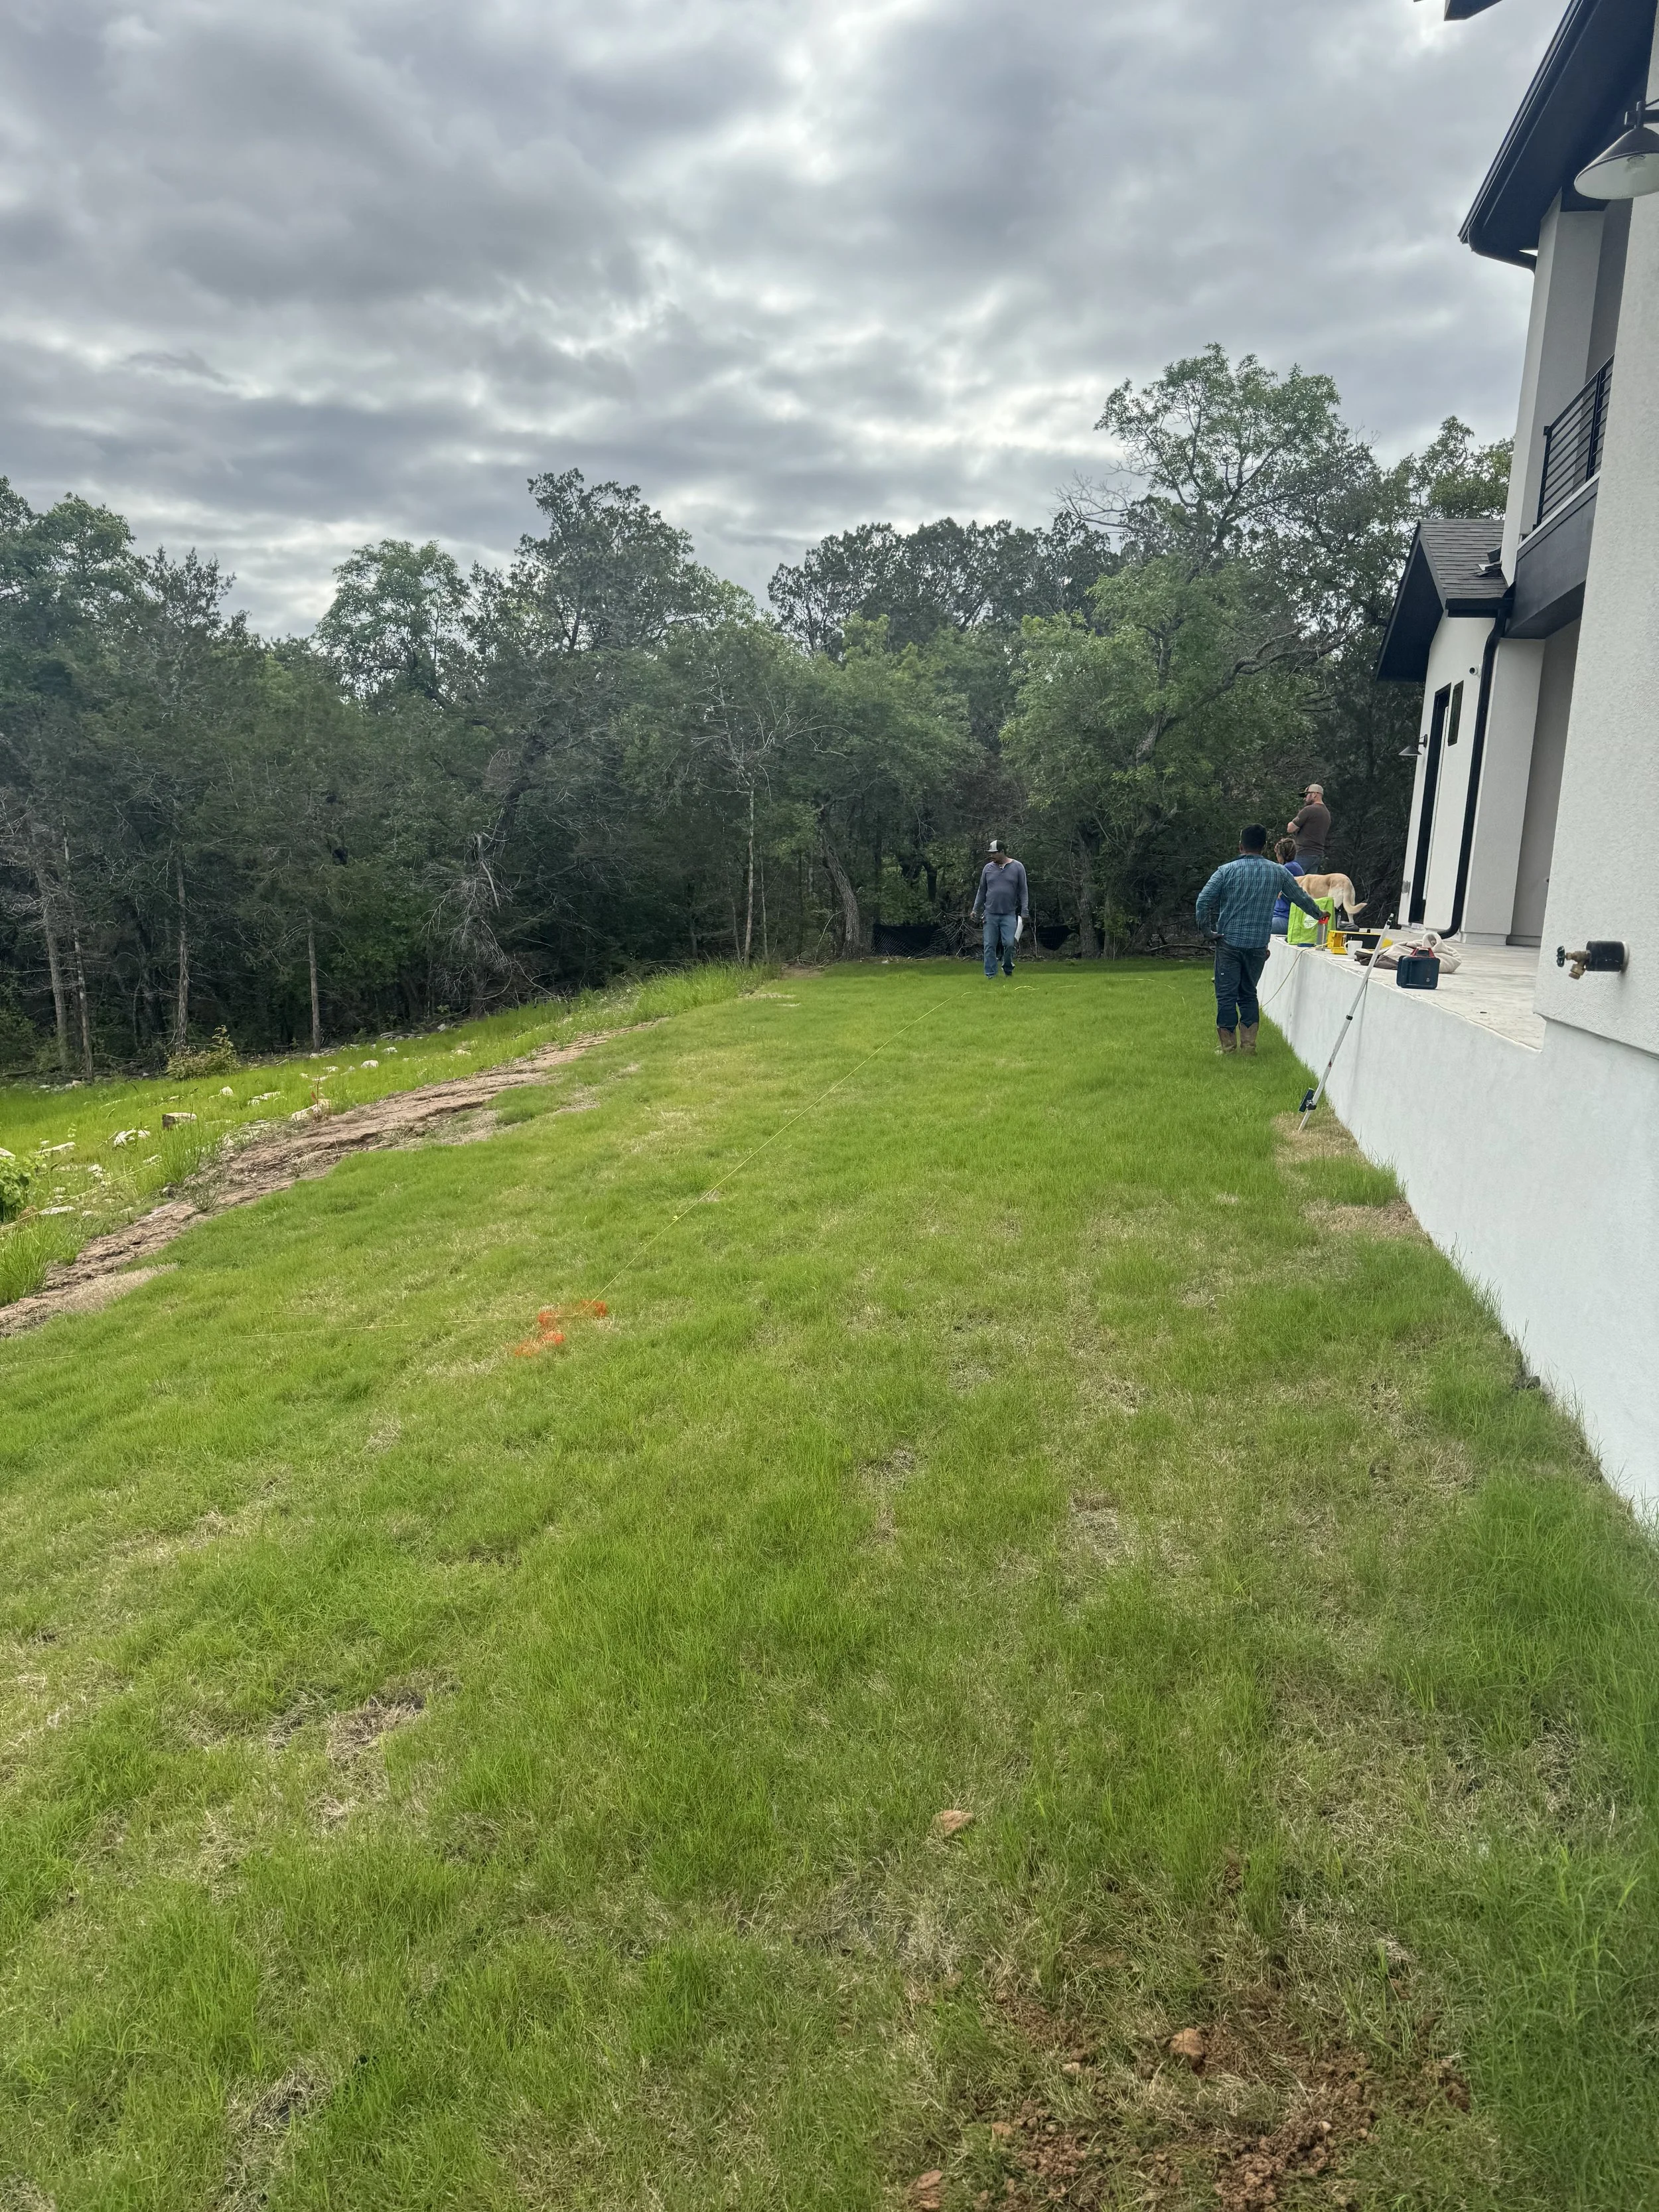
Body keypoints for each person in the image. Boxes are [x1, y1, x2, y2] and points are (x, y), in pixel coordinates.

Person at [1195, 825, 1325, 1055]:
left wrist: (1208, 931)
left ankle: (1228, 1048)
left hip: (1229, 942)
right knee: (1248, 993)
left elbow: (1203, 901)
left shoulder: (1226, 871)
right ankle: (1249, 1047)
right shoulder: (1278, 872)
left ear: (1240, 846)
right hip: (1257, 946)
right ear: (1264, 846)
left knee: (1226, 995)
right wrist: (1320, 914)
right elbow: (1300, 898)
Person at [971, 839, 1029, 980]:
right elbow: (981, 890)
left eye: (994, 853)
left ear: (1002, 852)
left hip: (1009, 914)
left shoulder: (1018, 867)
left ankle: (1008, 967)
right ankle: (991, 975)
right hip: (990, 914)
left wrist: (1025, 911)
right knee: (989, 945)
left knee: (1009, 944)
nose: (991, 856)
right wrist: (975, 909)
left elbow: (1023, 891)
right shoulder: (987, 869)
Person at [1287, 783, 1331, 871]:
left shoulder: (1309, 810)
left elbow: (1290, 829)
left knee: (1295, 881)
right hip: (1318, 855)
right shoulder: (1327, 813)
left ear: (1314, 794)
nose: (1305, 798)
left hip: (1304, 853)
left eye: (1306, 795)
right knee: (1308, 884)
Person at [1269, 836, 1307, 936]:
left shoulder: (1287, 869)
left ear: (1281, 855)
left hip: (1285, 918)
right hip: (1283, 917)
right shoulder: (1296, 867)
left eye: (1277, 854)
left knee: (1255, 926)